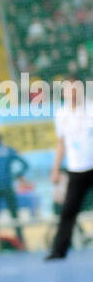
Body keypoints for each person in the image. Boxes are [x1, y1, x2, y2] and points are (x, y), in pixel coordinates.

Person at [47, 74, 93, 259]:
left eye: (75, 89)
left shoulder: (91, 108)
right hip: (76, 170)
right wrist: (55, 168)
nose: (72, 93)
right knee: (68, 211)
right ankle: (59, 251)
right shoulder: (61, 114)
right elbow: (61, 144)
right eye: (68, 89)